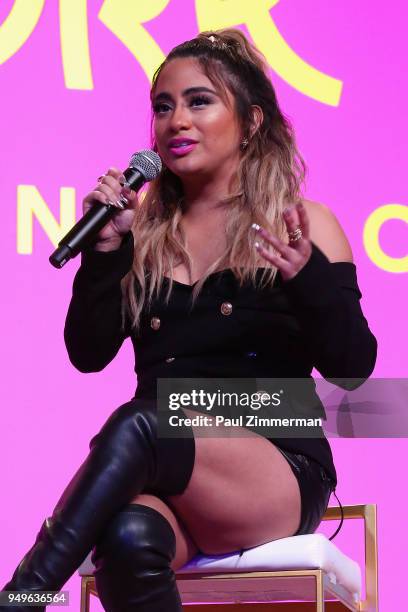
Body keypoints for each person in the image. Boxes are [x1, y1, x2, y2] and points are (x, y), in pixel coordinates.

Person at [0, 28, 377, 611]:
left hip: (272, 461)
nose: (176, 120)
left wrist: (307, 278)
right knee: (128, 538)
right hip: (167, 470)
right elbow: (87, 352)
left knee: (151, 417)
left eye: (199, 101)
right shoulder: (143, 231)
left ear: (251, 122)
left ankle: (23, 598)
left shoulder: (302, 222)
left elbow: (354, 370)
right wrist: (105, 254)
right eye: (162, 106)